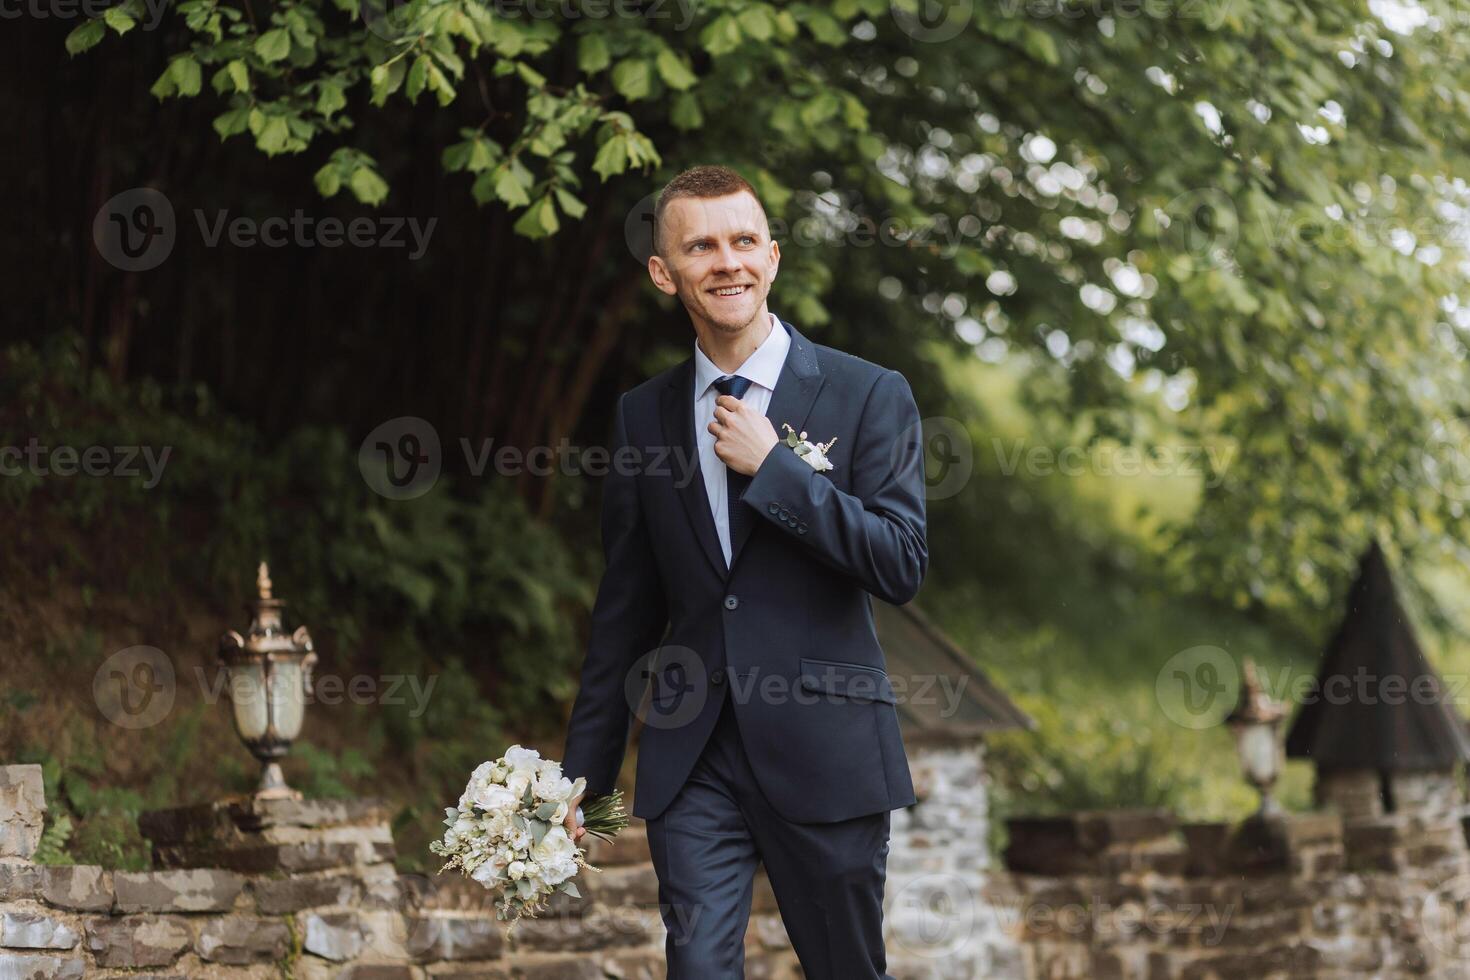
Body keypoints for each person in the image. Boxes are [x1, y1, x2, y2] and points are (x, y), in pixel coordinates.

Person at [560, 164, 928, 979]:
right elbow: (623, 612)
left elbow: (901, 562)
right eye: (701, 246)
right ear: (665, 273)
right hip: (693, 759)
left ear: (772, 257)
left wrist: (780, 473)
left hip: (827, 751)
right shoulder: (641, 415)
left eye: (742, 241)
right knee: (696, 967)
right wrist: (580, 780)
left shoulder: (869, 394)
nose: (726, 261)